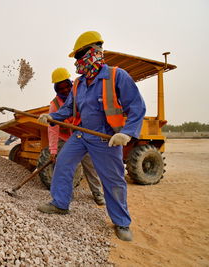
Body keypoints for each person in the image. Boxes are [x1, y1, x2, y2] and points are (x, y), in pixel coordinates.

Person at [37, 31, 146, 242]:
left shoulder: (116, 76)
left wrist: (127, 132)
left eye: (79, 56)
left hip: (105, 138)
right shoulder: (79, 83)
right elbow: (67, 109)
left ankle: (122, 222)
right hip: (81, 134)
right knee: (63, 162)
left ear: (94, 52)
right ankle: (60, 203)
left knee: (113, 180)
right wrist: (51, 116)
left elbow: (137, 106)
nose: (77, 63)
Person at [49, 67, 105, 206]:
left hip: (85, 135)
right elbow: (53, 129)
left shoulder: (81, 92)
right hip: (66, 139)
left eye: (66, 86)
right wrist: (53, 150)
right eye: (60, 88)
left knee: (90, 166)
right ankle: (65, 196)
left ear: (71, 83)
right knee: (64, 166)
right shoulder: (55, 105)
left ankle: (97, 193)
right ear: (56, 89)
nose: (64, 90)